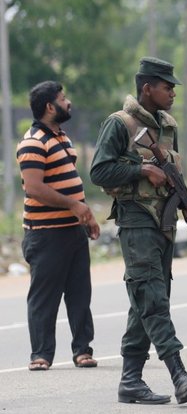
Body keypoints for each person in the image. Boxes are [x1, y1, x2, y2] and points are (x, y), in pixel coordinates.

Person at [90, 57, 187, 405]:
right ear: (147, 88)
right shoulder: (119, 124)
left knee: (146, 302)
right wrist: (141, 169)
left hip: (165, 224)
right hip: (137, 220)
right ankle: (178, 374)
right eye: (166, 86)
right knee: (153, 300)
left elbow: (174, 174)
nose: (172, 92)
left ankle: (130, 381)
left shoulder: (168, 126)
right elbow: (99, 171)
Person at [17, 81, 101, 372]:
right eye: (63, 99)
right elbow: (35, 188)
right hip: (45, 234)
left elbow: (69, 183)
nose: (69, 103)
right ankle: (40, 354)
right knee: (45, 296)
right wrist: (73, 206)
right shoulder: (32, 142)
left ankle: (83, 350)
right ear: (50, 106)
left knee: (80, 292)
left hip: (72, 231)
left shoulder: (61, 137)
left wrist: (85, 216)